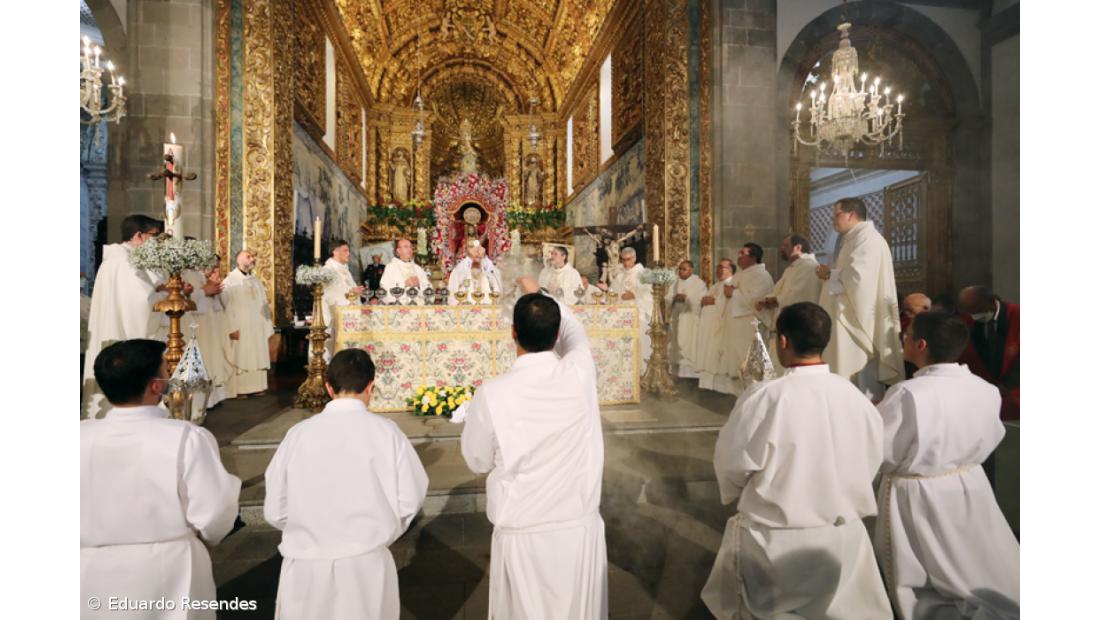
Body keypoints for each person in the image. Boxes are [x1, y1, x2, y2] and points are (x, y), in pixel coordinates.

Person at [702, 302, 891, 619]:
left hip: (775, 543)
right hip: (842, 537)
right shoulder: (855, 398)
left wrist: (736, 491)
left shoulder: (765, 396)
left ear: (783, 341)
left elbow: (733, 460)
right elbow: (873, 458)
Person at [461, 281, 608, 619]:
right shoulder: (580, 372)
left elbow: (477, 460)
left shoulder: (492, 393)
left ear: (512, 332)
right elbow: (576, 330)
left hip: (523, 533)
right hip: (577, 531)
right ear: (556, 336)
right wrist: (543, 293)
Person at [875, 311, 1020, 619]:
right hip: (971, 483)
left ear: (921, 344)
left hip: (920, 494)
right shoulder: (985, 388)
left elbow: (883, 450)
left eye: (908, 334)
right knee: (975, 558)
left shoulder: (907, 393)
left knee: (927, 578)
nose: (905, 339)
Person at [82, 339, 241, 619]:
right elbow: (215, 513)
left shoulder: (78, 437)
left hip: (89, 569)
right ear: (156, 386)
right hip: (170, 570)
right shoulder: (185, 437)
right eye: (167, 370)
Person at [265, 348, 428, 619]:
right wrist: (380, 534)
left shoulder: (297, 435)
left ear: (329, 388)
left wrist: (311, 534)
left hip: (305, 565)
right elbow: (410, 498)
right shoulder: (387, 432)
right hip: (366, 565)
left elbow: (275, 508)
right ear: (371, 386)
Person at [816, 197, 904, 400]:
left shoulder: (868, 240)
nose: (833, 220)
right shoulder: (853, 239)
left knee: (857, 380)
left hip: (856, 321)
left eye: (836, 215)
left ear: (851, 214)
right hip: (845, 317)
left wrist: (830, 273)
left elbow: (860, 280)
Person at [82, 214, 164, 419]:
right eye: (154, 236)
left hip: (114, 332)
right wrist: (169, 294)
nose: (157, 243)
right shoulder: (126, 263)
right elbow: (141, 304)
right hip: (124, 338)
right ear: (139, 236)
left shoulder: (114, 260)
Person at [717, 243, 774, 396]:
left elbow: (757, 300)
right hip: (736, 326)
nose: (739, 256)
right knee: (737, 363)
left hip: (749, 326)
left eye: (742, 253)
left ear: (753, 257)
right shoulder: (742, 274)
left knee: (750, 363)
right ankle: (740, 397)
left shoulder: (761, 275)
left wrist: (733, 293)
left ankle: (754, 397)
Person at [957, 285, 1019, 421]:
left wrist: (1007, 385)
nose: (974, 316)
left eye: (977, 310)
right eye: (969, 312)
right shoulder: (967, 320)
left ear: (991, 302)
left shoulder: (1017, 315)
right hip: (984, 394)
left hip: (1014, 392)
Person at [759, 234, 822, 369]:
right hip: (785, 328)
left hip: (799, 327)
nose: (782, 249)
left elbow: (800, 295)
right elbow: (779, 291)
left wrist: (776, 301)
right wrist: (768, 300)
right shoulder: (792, 268)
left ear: (798, 247)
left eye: (786, 246)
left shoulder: (809, 267)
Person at [222, 250, 274, 397]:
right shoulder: (230, 281)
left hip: (256, 327)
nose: (252, 259)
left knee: (256, 354)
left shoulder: (256, 281)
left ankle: (257, 387)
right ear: (238, 260)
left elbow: (263, 304)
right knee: (242, 354)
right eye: (248, 257)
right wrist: (231, 328)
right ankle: (241, 390)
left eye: (253, 257)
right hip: (241, 327)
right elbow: (227, 308)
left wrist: (266, 324)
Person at [181, 263, 230, 408]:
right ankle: (204, 401)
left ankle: (212, 398)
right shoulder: (183, 273)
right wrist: (204, 291)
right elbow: (186, 298)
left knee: (212, 359)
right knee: (203, 358)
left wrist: (213, 290)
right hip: (197, 323)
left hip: (209, 322)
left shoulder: (198, 274)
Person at [603, 246, 652, 371]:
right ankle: (626, 370)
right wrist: (606, 290)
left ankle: (642, 371)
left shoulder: (644, 273)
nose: (625, 263)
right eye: (623, 260)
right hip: (623, 316)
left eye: (628, 259)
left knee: (640, 343)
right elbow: (613, 292)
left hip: (638, 315)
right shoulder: (620, 275)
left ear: (634, 258)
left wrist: (634, 294)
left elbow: (650, 292)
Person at [696, 259, 736, 392]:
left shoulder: (732, 283)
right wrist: (704, 300)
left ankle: (722, 389)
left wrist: (713, 300)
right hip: (708, 327)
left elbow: (730, 301)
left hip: (721, 326)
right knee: (708, 353)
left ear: (731, 270)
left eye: (722, 267)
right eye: (717, 267)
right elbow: (706, 299)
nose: (718, 270)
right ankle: (708, 387)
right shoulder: (716, 285)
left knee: (718, 357)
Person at [665, 260, 707, 377]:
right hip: (677, 318)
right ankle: (676, 372)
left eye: (684, 269)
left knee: (690, 345)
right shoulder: (675, 283)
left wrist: (686, 298)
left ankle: (691, 375)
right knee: (675, 344)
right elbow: (667, 298)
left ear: (691, 269)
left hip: (690, 319)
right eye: (680, 269)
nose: (681, 272)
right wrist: (673, 298)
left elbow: (701, 300)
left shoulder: (699, 283)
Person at [322, 239, 365, 356]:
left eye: (348, 250)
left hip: (349, 317)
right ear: (335, 252)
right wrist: (351, 292)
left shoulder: (345, 270)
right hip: (333, 318)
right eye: (345, 250)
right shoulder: (328, 270)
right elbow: (330, 295)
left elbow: (351, 292)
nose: (349, 253)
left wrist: (356, 293)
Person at [380, 238, 430, 304]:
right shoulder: (391, 267)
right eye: (406, 247)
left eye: (411, 247)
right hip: (399, 308)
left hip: (419, 309)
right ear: (398, 250)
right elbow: (384, 290)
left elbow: (429, 290)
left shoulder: (418, 269)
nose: (409, 249)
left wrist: (419, 285)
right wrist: (405, 284)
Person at [899, 292, 932, 379]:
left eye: (910, 310)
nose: (906, 313)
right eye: (904, 309)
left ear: (925, 308)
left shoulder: (936, 326)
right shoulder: (901, 323)